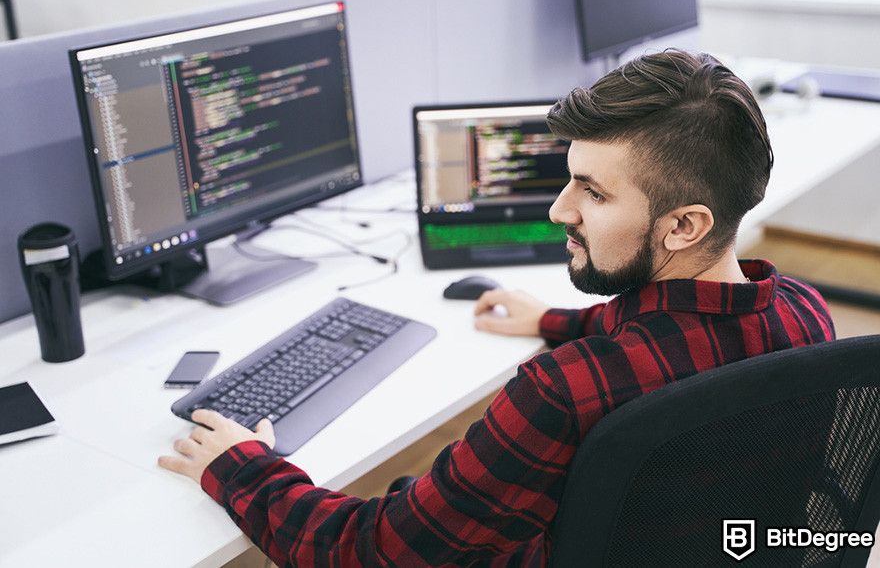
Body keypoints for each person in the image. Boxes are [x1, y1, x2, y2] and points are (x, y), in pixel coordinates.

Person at [159, 50, 835, 566]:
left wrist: (243, 465)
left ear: (684, 225)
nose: (558, 209)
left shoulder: (562, 394)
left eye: (594, 194)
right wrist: (553, 319)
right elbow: (683, 334)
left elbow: (371, 552)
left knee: (397, 501)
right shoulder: (806, 314)